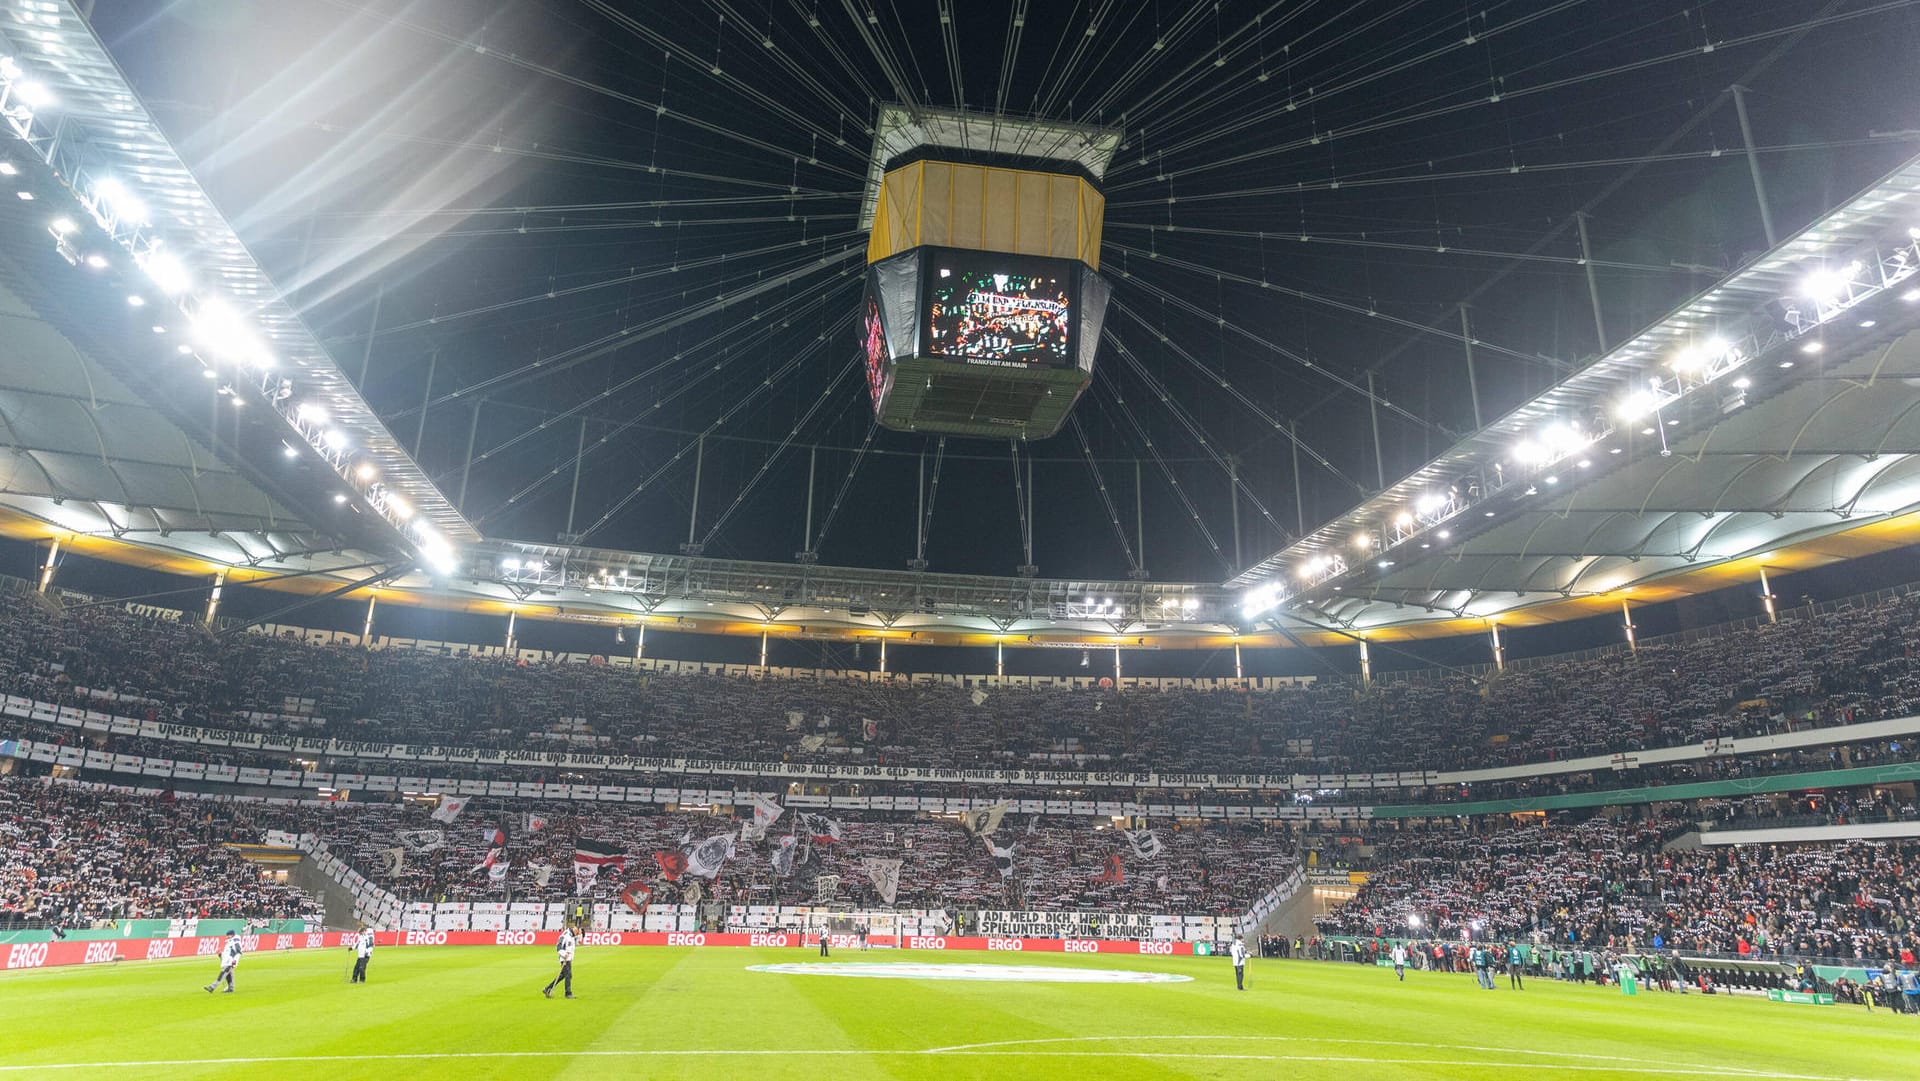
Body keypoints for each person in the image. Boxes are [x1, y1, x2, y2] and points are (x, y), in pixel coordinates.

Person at [543, 925, 576, 999]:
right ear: (573, 929)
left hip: (568, 958)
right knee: (568, 975)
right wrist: (564, 954)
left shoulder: (571, 935)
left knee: (562, 975)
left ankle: (547, 988)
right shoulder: (565, 935)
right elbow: (558, 947)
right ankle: (568, 993)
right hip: (565, 958)